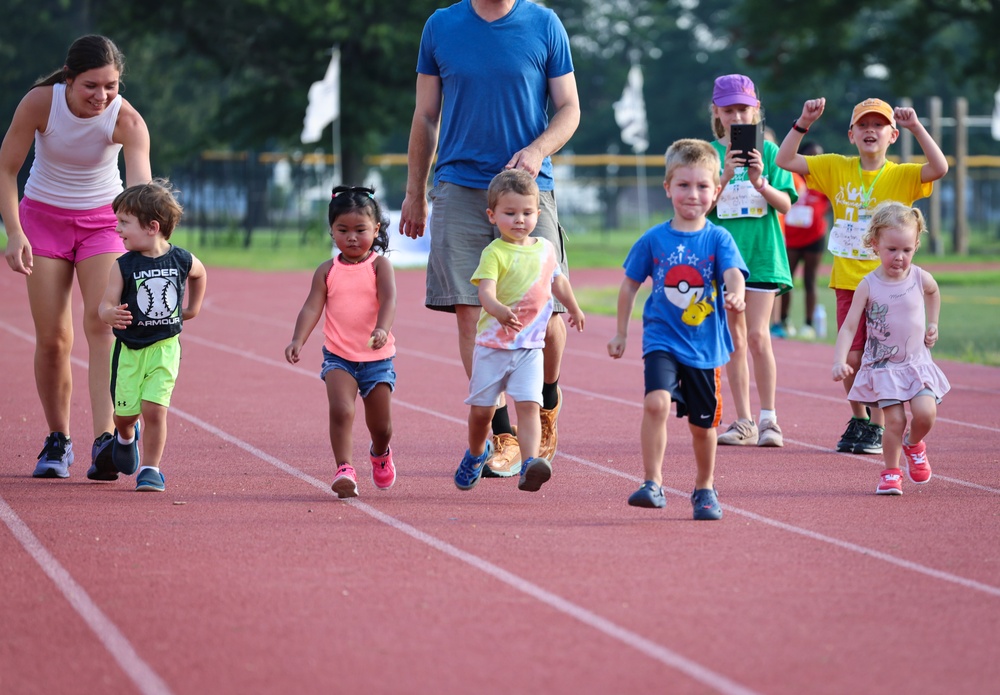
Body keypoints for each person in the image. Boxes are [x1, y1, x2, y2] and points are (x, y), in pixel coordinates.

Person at [399, 0, 580, 478]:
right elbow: (424, 117)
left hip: (527, 186)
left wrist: (539, 149)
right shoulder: (441, 26)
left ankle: (547, 401)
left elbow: (569, 108)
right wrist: (415, 191)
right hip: (459, 185)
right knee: (469, 309)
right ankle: (503, 433)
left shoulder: (544, 24)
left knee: (551, 310)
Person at [0, 35, 151, 479]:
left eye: (111, 85)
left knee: (103, 324)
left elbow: (139, 195)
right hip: (42, 220)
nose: (102, 96)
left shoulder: (128, 121)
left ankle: (106, 438)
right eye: (91, 86)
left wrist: (149, 247)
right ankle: (58, 438)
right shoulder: (39, 104)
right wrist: (14, 232)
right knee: (53, 339)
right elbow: (7, 169)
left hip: (103, 223)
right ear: (68, 79)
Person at [776, 97, 948, 455]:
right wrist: (803, 122)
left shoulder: (902, 174)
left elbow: (940, 167)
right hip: (849, 282)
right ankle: (860, 417)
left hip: (893, 288)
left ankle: (880, 424)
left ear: (892, 135)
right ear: (851, 134)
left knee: (884, 356)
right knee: (852, 358)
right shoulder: (837, 167)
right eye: (863, 126)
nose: (871, 131)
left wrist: (917, 126)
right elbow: (785, 160)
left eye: (879, 125)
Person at [608, 139, 748, 521]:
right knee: (656, 402)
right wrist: (621, 332)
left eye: (703, 186)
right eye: (683, 185)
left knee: (704, 429)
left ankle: (704, 487)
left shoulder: (719, 238)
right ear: (667, 188)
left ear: (716, 191)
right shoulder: (654, 239)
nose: (693, 194)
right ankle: (652, 482)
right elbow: (629, 285)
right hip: (662, 339)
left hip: (705, 348)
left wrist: (735, 293)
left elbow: (733, 272)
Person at [454, 169, 585, 493]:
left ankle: (529, 463)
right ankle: (475, 452)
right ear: (492, 215)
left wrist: (574, 306)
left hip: (530, 348)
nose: (519, 220)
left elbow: (558, 281)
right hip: (492, 349)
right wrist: (496, 309)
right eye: (510, 213)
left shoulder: (544, 249)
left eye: (527, 213)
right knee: (482, 413)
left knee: (529, 405)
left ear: (538, 214)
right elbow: (485, 291)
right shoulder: (494, 253)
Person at [286, 186, 397, 499]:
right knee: (340, 409)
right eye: (343, 230)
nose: (351, 237)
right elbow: (312, 307)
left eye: (360, 230)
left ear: (375, 229)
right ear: (332, 231)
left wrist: (381, 329)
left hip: (377, 358)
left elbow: (389, 300)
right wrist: (298, 339)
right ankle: (344, 468)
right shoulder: (327, 270)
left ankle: (380, 452)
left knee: (381, 426)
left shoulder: (379, 266)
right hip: (338, 356)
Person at [831, 202, 949, 495]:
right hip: (883, 368)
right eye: (892, 249)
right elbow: (848, 327)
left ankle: (914, 444)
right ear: (875, 245)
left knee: (926, 414)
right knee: (893, 421)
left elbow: (934, 293)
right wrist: (838, 361)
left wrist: (933, 324)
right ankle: (891, 472)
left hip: (916, 363)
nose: (899, 257)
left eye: (907, 250)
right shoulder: (868, 285)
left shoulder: (920, 277)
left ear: (916, 246)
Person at [97, 180, 206, 491]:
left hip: (165, 348)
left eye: (124, 222)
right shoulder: (123, 265)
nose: (117, 229)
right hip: (129, 350)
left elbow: (200, 273)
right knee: (124, 415)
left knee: (155, 409)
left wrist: (193, 308)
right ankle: (127, 435)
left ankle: (151, 468)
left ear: (152, 227)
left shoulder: (181, 259)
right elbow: (105, 304)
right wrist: (108, 314)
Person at [707, 75, 795, 448]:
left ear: (756, 110)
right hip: (724, 258)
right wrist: (724, 176)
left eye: (744, 108)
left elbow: (786, 204)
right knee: (735, 340)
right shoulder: (708, 154)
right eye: (729, 110)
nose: (737, 116)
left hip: (761, 256)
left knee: (760, 337)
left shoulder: (772, 152)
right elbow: (701, 206)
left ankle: (769, 420)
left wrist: (760, 182)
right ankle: (743, 421)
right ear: (717, 113)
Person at [778, 141, 830, 340]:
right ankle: (783, 320)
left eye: (818, 155)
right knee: (786, 280)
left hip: (814, 236)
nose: (814, 160)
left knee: (810, 280)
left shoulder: (823, 180)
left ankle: (808, 324)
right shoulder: (790, 177)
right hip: (791, 238)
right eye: (810, 155)